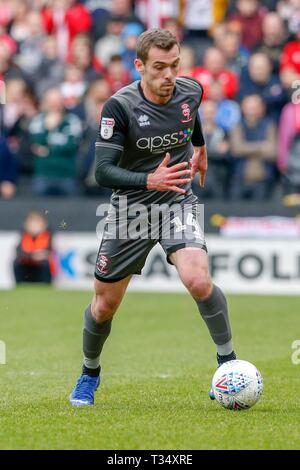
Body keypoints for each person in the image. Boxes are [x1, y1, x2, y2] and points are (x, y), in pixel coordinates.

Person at [70, 28, 236, 407]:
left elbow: (189, 117)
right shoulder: (119, 107)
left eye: (174, 65)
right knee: (104, 306)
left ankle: (227, 364)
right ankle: (89, 373)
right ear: (139, 65)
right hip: (132, 208)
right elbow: (103, 171)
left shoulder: (191, 90)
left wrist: (201, 148)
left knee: (198, 279)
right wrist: (149, 178)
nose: (169, 76)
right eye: (159, 67)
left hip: (177, 199)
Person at [13, 210, 54, 284]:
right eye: (32, 224)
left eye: (37, 223)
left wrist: (40, 256)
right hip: (26, 265)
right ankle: (20, 285)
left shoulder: (48, 235)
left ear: (44, 225)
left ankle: (46, 285)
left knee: (47, 263)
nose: (34, 226)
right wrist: (33, 256)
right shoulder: (24, 235)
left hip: (41, 266)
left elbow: (49, 251)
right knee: (16, 263)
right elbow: (19, 251)